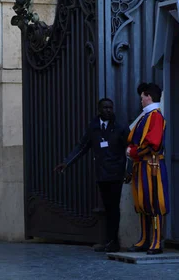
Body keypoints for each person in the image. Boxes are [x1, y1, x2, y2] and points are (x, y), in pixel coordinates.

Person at [55, 98, 131, 253]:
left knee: (113, 208)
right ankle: (109, 240)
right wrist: (66, 162)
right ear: (99, 110)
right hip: (102, 174)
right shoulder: (94, 127)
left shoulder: (121, 127)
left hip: (116, 173)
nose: (108, 110)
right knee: (107, 207)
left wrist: (128, 170)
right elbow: (82, 146)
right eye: (105, 108)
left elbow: (129, 150)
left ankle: (113, 241)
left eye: (110, 107)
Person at [126, 83, 169, 255]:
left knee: (155, 203)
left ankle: (156, 242)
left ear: (149, 96)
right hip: (142, 165)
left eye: (142, 97)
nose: (141, 100)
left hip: (152, 166)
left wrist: (133, 152)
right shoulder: (147, 116)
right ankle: (145, 239)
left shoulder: (155, 116)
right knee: (142, 204)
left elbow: (154, 143)